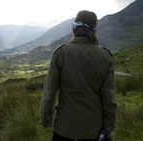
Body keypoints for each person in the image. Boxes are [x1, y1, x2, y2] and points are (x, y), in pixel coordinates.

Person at [39, 10, 117, 141]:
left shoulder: (61, 53)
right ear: (94, 30)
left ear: (74, 28)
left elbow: (49, 93)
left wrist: (44, 118)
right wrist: (109, 126)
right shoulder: (105, 56)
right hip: (93, 129)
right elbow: (109, 97)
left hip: (64, 127)